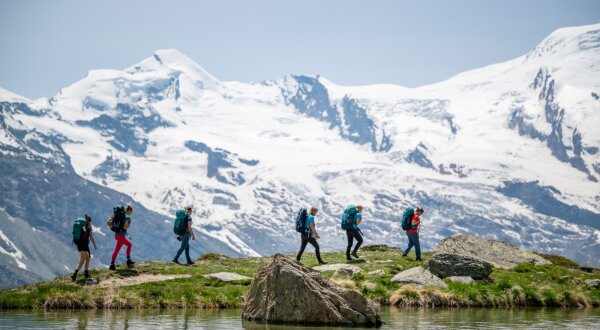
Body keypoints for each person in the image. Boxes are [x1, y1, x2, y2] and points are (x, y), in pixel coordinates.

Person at [71, 214, 97, 281]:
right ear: (89, 221)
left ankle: (86, 273)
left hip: (80, 243)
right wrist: (94, 245)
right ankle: (74, 274)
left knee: (88, 258)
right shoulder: (88, 226)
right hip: (84, 244)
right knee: (82, 261)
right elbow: (91, 237)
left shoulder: (82, 224)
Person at [109, 204, 135, 270]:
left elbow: (110, 222)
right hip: (121, 236)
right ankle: (113, 264)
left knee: (128, 245)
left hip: (117, 235)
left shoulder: (118, 216)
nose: (131, 213)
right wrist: (128, 226)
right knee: (119, 249)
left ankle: (127, 260)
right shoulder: (127, 217)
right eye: (131, 212)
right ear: (129, 211)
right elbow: (125, 227)